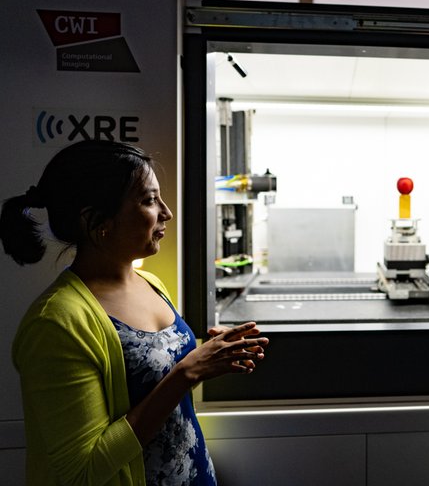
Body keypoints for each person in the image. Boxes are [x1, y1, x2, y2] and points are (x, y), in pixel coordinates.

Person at [1, 140, 269, 485]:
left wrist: (207, 355)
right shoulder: (54, 323)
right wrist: (186, 373)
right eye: (148, 200)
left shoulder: (150, 282)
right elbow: (81, 471)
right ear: (96, 220)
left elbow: (150, 379)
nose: (166, 212)